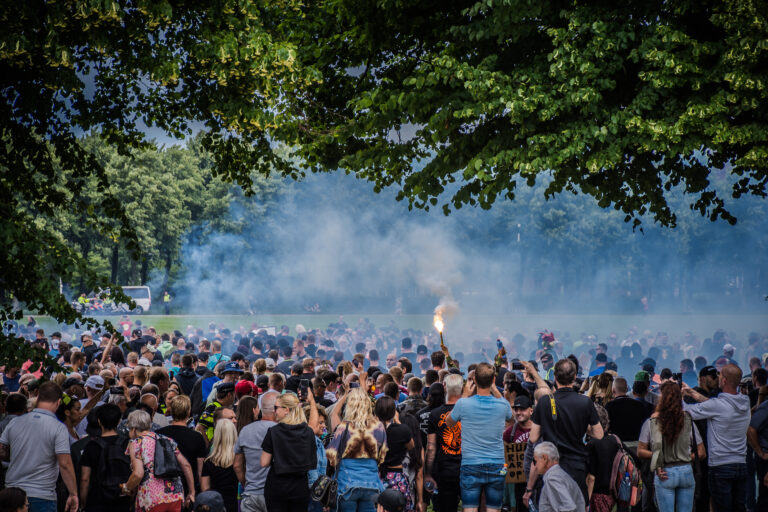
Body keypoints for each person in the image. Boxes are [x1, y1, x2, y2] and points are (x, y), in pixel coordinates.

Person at [527, 358, 603, 506]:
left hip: (551, 465)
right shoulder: (584, 402)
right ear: (575, 377)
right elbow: (599, 434)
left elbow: (533, 436)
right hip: (577, 465)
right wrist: (580, 424)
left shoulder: (544, 402)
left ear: (555, 377)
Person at [0, 382, 79, 512]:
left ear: (38, 397)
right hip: (42, 495)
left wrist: (20, 454)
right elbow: (64, 463)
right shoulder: (58, 428)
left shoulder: (15, 422)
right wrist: (73, 493)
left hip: (13, 493)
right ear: (58, 402)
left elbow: (2, 451)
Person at [682, 363, 751, 512]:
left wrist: (677, 395)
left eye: (720, 375)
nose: (718, 378)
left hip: (720, 466)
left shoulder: (717, 405)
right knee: (739, 507)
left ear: (724, 380)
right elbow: (719, 406)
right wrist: (693, 393)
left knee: (722, 508)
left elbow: (686, 411)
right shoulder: (745, 402)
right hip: (741, 463)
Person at [445, 362, 513, 512]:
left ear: (474, 380)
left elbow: (449, 422)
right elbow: (511, 418)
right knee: (494, 509)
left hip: (471, 464)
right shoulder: (502, 404)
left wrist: (464, 396)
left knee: (469, 509)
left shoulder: (463, 403)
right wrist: (496, 392)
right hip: (496, 463)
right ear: (493, 380)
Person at [638, 381, 705, 512]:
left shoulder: (652, 422)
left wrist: (659, 457)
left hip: (664, 472)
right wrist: (685, 456)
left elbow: (640, 451)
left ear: (661, 398)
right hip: (686, 470)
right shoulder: (687, 420)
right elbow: (701, 452)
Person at [121, 410, 196, 512]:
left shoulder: (136, 443)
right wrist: (191, 492)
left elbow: (138, 473)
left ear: (133, 429)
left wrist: (126, 487)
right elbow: (186, 465)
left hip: (152, 498)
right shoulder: (167, 440)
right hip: (175, 496)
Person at [327, 387, 387, 512]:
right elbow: (382, 456)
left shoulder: (344, 427)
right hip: (372, 483)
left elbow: (331, 456)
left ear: (350, 405)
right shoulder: (379, 426)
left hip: (347, 484)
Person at [260, 392, 318, 512]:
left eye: (276, 407)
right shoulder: (308, 432)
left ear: (286, 410)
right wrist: (312, 401)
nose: (274, 411)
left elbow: (264, 462)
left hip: (277, 486)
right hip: (300, 486)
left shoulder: (273, 432)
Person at [78, 404, 132, 512]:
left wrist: (83, 503)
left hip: (97, 500)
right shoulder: (128, 444)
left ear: (99, 422)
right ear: (118, 421)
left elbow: (85, 478)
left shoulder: (91, 446)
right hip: (122, 498)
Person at [425, 374, 463, 512]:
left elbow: (431, 448)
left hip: (444, 470)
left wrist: (428, 474)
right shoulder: (469, 412)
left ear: (445, 387)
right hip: (467, 468)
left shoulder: (435, 414)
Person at [234, 391, 278, 512]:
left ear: (259, 409)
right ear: (276, 409)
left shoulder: (245, 430)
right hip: (275, 495)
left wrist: (246, 484)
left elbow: (237, 465)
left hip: (251, 495)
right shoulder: (280, 431)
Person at [157, 395, 208, 495]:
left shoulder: (158, 434)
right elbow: (200, 470)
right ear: (188, 412)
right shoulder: (197, 437)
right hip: (189, 488)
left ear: (171, 411)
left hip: (163, 487)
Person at [376, 396, 415, 511]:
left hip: (380, 477)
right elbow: (411, 446)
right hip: (397, 476)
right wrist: (398, 422)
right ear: (394, 412)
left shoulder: (374, 432)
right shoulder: (402, 430)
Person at [586, 405, 621, 512]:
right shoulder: (615, 439)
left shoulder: (592, 444)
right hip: (615, 493)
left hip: (597, 495)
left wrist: (586, 502)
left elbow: (591, 477)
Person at [502, 395, 533, 512]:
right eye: (516, 409)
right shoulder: (509, 433)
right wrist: (503, 473)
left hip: (537, 482)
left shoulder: (539, 429)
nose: (519, 412)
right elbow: (505, 459)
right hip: (519, 482)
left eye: (522, 409)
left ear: (531, 411)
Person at [534, 442, 585, 512]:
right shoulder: (560, 475)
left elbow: (568, 508)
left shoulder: (553, 479)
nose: (535, 466)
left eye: (535, 461)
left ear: (544, 458)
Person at [201, 420, 239, 512]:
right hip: (235, 504)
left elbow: (205, 488)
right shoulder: (239, 461)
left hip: (215, 505)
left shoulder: (209, 462)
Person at [604, 376, 651, 445]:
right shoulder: (640, 406)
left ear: (613, 390)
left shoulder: (609, 406)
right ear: (626, 389)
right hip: (637, 445)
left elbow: (606, 427)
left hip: (617, 445)